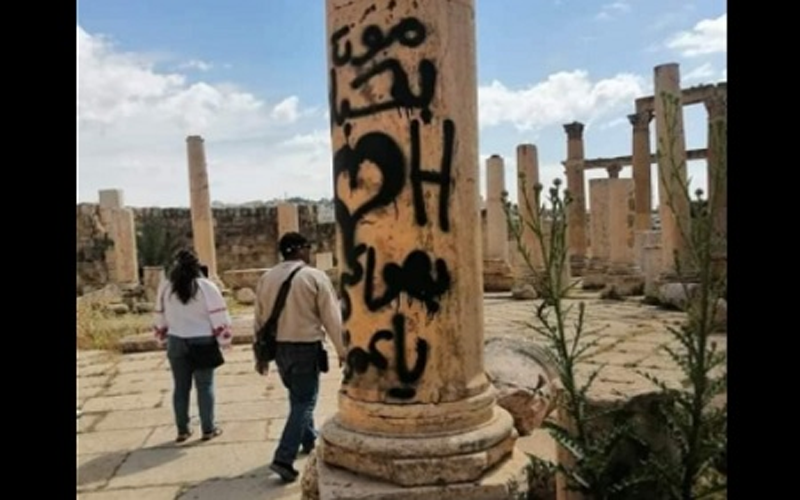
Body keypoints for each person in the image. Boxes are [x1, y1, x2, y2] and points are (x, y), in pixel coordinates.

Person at [254, 232, 346, 483]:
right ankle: (284, 457)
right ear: (299, 249)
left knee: (297, 398)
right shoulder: (314, 277)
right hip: (306, 346)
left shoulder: (266, 278)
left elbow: (259, 319)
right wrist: (342, 349)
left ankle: (308, 440)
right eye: (307, 247)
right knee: (305, 401)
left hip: (280, 349)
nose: (309, 252)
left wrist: (259, 356)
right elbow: (331, 317)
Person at [153, 249, 232, 443]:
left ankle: (182, 430)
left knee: (180, 387)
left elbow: (159, 315)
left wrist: (161, 338)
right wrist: (224, 340)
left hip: (176, 340)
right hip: (203, 340)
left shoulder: (166, 287)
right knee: (205, 386)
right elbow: (220, 317)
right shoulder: (207, 287)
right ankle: (208, 428)